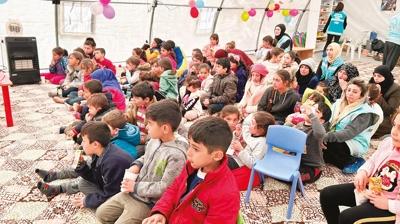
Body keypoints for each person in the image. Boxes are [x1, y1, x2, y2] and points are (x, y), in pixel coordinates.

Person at [95, 100, 188, 224]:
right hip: (134, 192)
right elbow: (146, 157)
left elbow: (166, 188)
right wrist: (137, 165)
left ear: (165, 128)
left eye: (149, 123)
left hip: (149, 202)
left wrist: (136, 186)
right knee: (101, 214)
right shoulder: (154, 140)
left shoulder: (176, 155)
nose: (147, 127)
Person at [142, 116, 240, 224]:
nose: (188, 152)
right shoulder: (192, 166)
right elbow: (173, 189)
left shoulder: (226, 194)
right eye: (190, 145)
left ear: (217, 155)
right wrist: (161, 212)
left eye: (196, 149)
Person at [320, 109, 400, 224]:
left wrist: (389, 204)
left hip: (391, 208)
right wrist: (363, 172)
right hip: (372, 191)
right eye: (394, 125)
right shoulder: (389, 142)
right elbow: (372, 161)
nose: (394, 132)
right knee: (327, 195)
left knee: (347, 217)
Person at [36, 121, 133, 208]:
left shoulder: (113, 162)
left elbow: (111, 193)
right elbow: (96, 177)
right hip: (108, 186)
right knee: (83, 180)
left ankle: (57, 188)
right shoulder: (101, 152)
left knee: (83, 184)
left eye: (84, 141)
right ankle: (55, 182)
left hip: (119, 196)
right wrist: (82, 167)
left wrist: (87, 201)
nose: (81, 144)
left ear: (95, 144)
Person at [322, 78, 383, 174]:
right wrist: (321, 134)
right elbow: (328, 121)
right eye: (348, 90)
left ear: (361, 95)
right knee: (319, 145)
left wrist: (326, 137)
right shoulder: (339, 103)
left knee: (330, 145)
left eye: (355, 92)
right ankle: (332, 155)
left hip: (354, 140)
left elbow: (349, 133)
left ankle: (354, 161)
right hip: (335, 135)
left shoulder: (365, 112)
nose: (350, 93)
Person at [296, 102, 331, 184]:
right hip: (298, 160)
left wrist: (311, 115)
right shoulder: (299, 125)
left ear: (321, 121)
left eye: (316, 111)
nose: (311, 111)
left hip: (311, 167)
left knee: (296, 178)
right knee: (280, 167)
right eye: (312, 108)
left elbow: (321, 133)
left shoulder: (317, 131)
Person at [369, 65, 400, 138]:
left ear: (386, 77)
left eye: (379, 76)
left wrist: (378, 95)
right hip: (370, 110)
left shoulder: (395, 89)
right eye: (374, 75)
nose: (376, 78)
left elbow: (390, 110)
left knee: (369, 125)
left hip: (385, 117)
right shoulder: (372, 83)